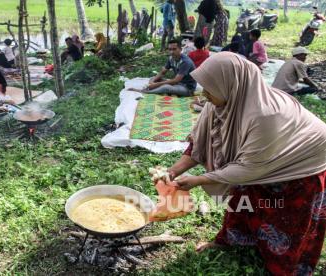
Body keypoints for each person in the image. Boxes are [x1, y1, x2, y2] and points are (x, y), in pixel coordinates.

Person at [157, 52, 326, 275]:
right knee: (243, 200)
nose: (204, 94)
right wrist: (173, 171)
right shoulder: (222, 100)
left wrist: (198, 180)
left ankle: (283, 266)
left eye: (209, 88)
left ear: (232, 84)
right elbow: (200, 142)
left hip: (300, 165)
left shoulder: (265, 115)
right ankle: (233, 240)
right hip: (259, 159)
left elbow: (249, 169)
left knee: (286, 218)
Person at [131, 40, 196, 96]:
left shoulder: (185, 62)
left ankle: (146, 92)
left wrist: (155, 85)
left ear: (180, 49)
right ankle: (155, 87)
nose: (171, 52)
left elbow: (176, 80)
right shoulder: (171, 58)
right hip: (177, 84)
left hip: (187, 88)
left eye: (174, 49)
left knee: (166, 87)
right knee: (154, 78)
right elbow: (162, 72)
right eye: (170, 49)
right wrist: (153, 82)